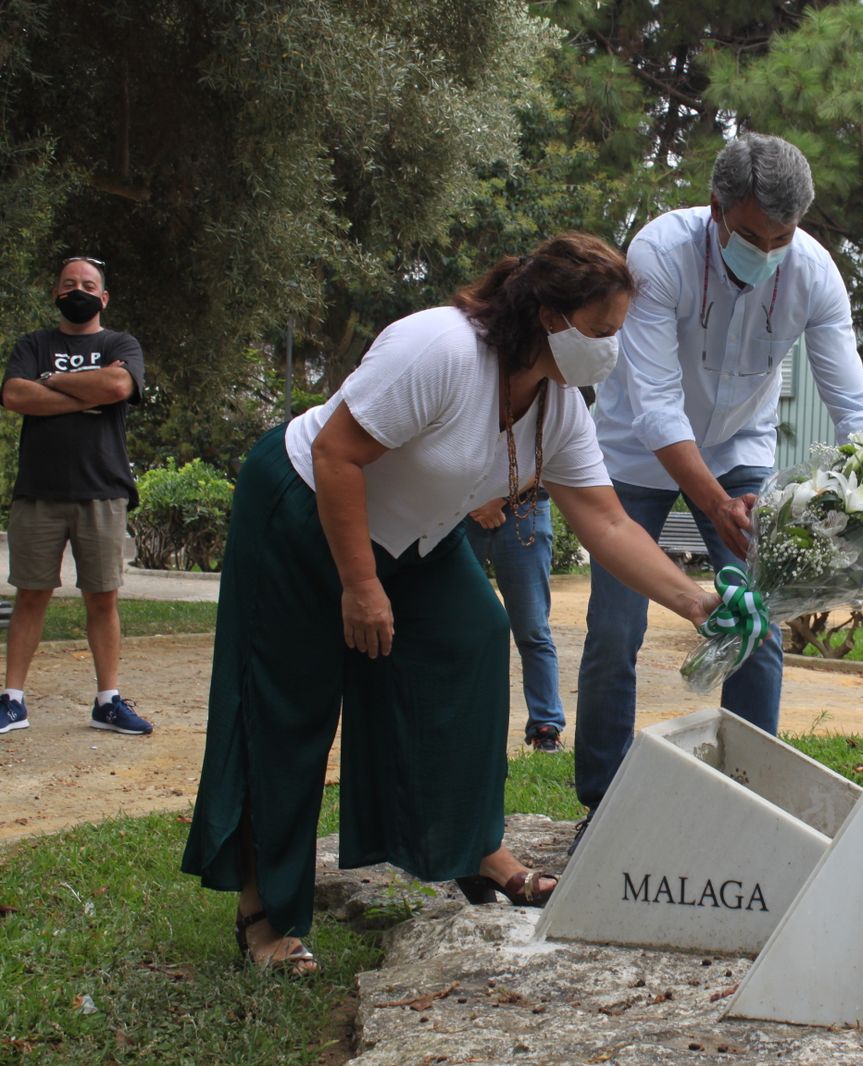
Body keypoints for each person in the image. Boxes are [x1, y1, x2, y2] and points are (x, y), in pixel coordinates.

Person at [180, 233, 743, 974]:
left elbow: (605, 522)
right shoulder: (439, 350)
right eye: (603, 332)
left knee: (475, 635)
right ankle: (265, 913)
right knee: (290, 709)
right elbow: (336, 454)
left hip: (412, 537)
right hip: (304, 510)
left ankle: (475, 846)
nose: (612, 350)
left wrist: (697, 602)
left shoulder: (558, 406)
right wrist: (359, 584)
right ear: (549, 315)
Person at [574, 132, 863, 822]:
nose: (769, 251)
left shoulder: (813, 272)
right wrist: (712, 502)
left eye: (784, 236)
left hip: (741, 449)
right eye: (752, 234)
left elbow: (853, 400)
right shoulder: (660, 251)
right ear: (717, 208)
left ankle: (749, 799)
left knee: (760, 622)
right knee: (614, 631)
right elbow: (655, 405)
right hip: (634, 454)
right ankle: (602, 802)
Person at [0, 256, 150, 737]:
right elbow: (16, 396)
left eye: (88, 284)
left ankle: (108, 702)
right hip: (38, 492)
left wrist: (51, 383)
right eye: (69, 284)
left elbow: (118, 383)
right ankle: (12, 700)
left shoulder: (119, 344)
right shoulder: (33, 344)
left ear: (103, 297)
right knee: (30, 596)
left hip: (102, 491)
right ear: (55, 293)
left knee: (102, 598)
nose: (77, 290)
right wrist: (89, 395)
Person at [464, 487, 565, 751]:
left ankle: (546, 726)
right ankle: (465, 724)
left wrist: (498, 499)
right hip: (463, 509)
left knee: (532, 629)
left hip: (525, 508)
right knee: (461, 627)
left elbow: (543, 456)